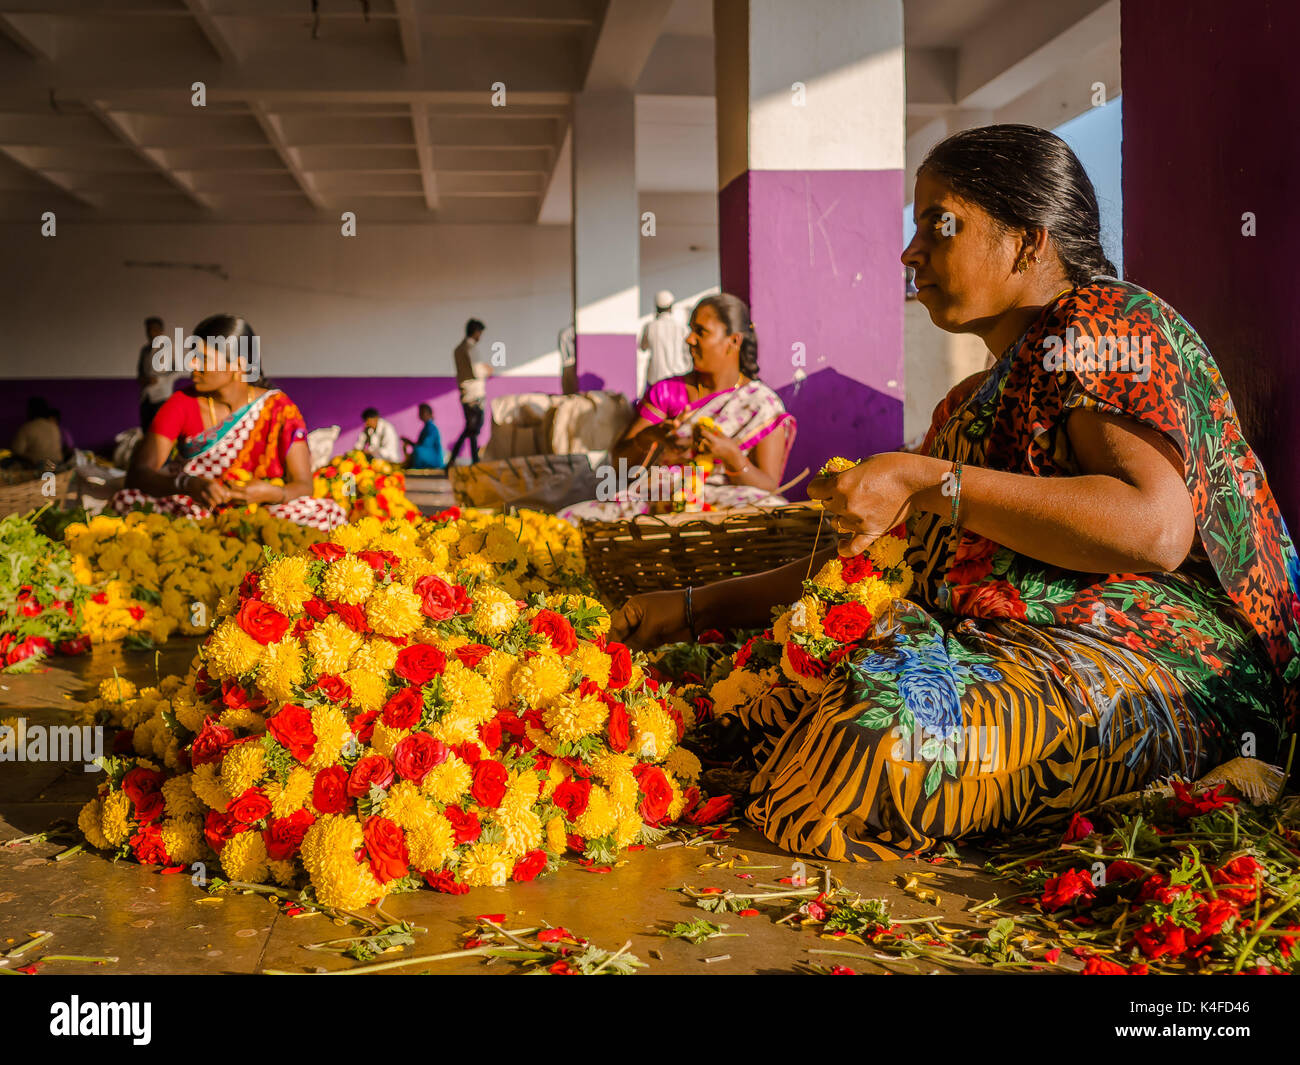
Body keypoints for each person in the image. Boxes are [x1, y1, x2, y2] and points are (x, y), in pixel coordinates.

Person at [611, 124, 1300, 862]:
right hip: (1019, 649)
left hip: (1169, 669)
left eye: (938, 224)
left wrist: (927, 478)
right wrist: (691, 608)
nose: (911, 252)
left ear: (1029, 241)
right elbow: (867, 563)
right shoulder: (973, 399)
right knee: (745, 703)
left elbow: (1154, 526)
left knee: (874, 742)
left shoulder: (1105, 322)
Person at [561, 293, 796, 522]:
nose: (689, 339)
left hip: (726, 504)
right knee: (570, 520)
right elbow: (619, 465)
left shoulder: (762, 403)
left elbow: (768, 487)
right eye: (691, 330)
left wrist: (732, 456)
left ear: (733, 341)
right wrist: (652, 437)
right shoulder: (667, 392)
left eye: (700, 332)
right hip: (656, 499)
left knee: (772, 510)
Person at [115, 314, 346, 530]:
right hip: (194, 509)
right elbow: (137, 476)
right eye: (192, 357)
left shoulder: (278, 408)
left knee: (328, 513)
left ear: (238, 364)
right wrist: (188, 484)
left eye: (203, 358)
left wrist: (270, 493)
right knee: (128, 502)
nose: (193, 365)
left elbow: (304, 485)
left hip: (262, 511)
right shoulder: (181, 403)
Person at [445, 317, 492, 468]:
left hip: (465, 392)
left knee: (471, 428)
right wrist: (487, 370)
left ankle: (464, 459)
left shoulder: (458, 349)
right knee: (473, 427)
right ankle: (472, 460)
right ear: (476, 332)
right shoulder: (470, 349)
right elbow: (477, 371)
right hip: (474, 394)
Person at [639, 290, 691, 387]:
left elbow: (643, 347)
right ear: (671, 307)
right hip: (678, 378)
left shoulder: (650, 327)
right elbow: (688, 353)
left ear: (656, 307)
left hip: (655, 379)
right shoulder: (682, 328)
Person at [137, 316, 181, 430]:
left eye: (154, 329)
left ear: (161, 331)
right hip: (146, 397)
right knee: (146, 430)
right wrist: (142, 379)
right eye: (148, 330)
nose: (151, 333)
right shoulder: (144, 350)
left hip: (162, 396)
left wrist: (159, 380)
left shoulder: (169, 348)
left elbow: (179, 370)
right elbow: (140, 372)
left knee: (160, 430)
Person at [9, 396, 68, 467]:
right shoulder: (54, 427)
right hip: (57, 465)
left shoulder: (27, 427)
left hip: (38, 466)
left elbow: (16, 451)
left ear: (30, 410)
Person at [404, 403, 444, 469]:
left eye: (422, 412)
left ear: (428, 413)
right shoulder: (426, 427)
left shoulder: (431, 428)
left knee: (418, 450)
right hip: (427, 453)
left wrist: (410, 442)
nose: (420, 414)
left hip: (434, 459)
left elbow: (425, 445)